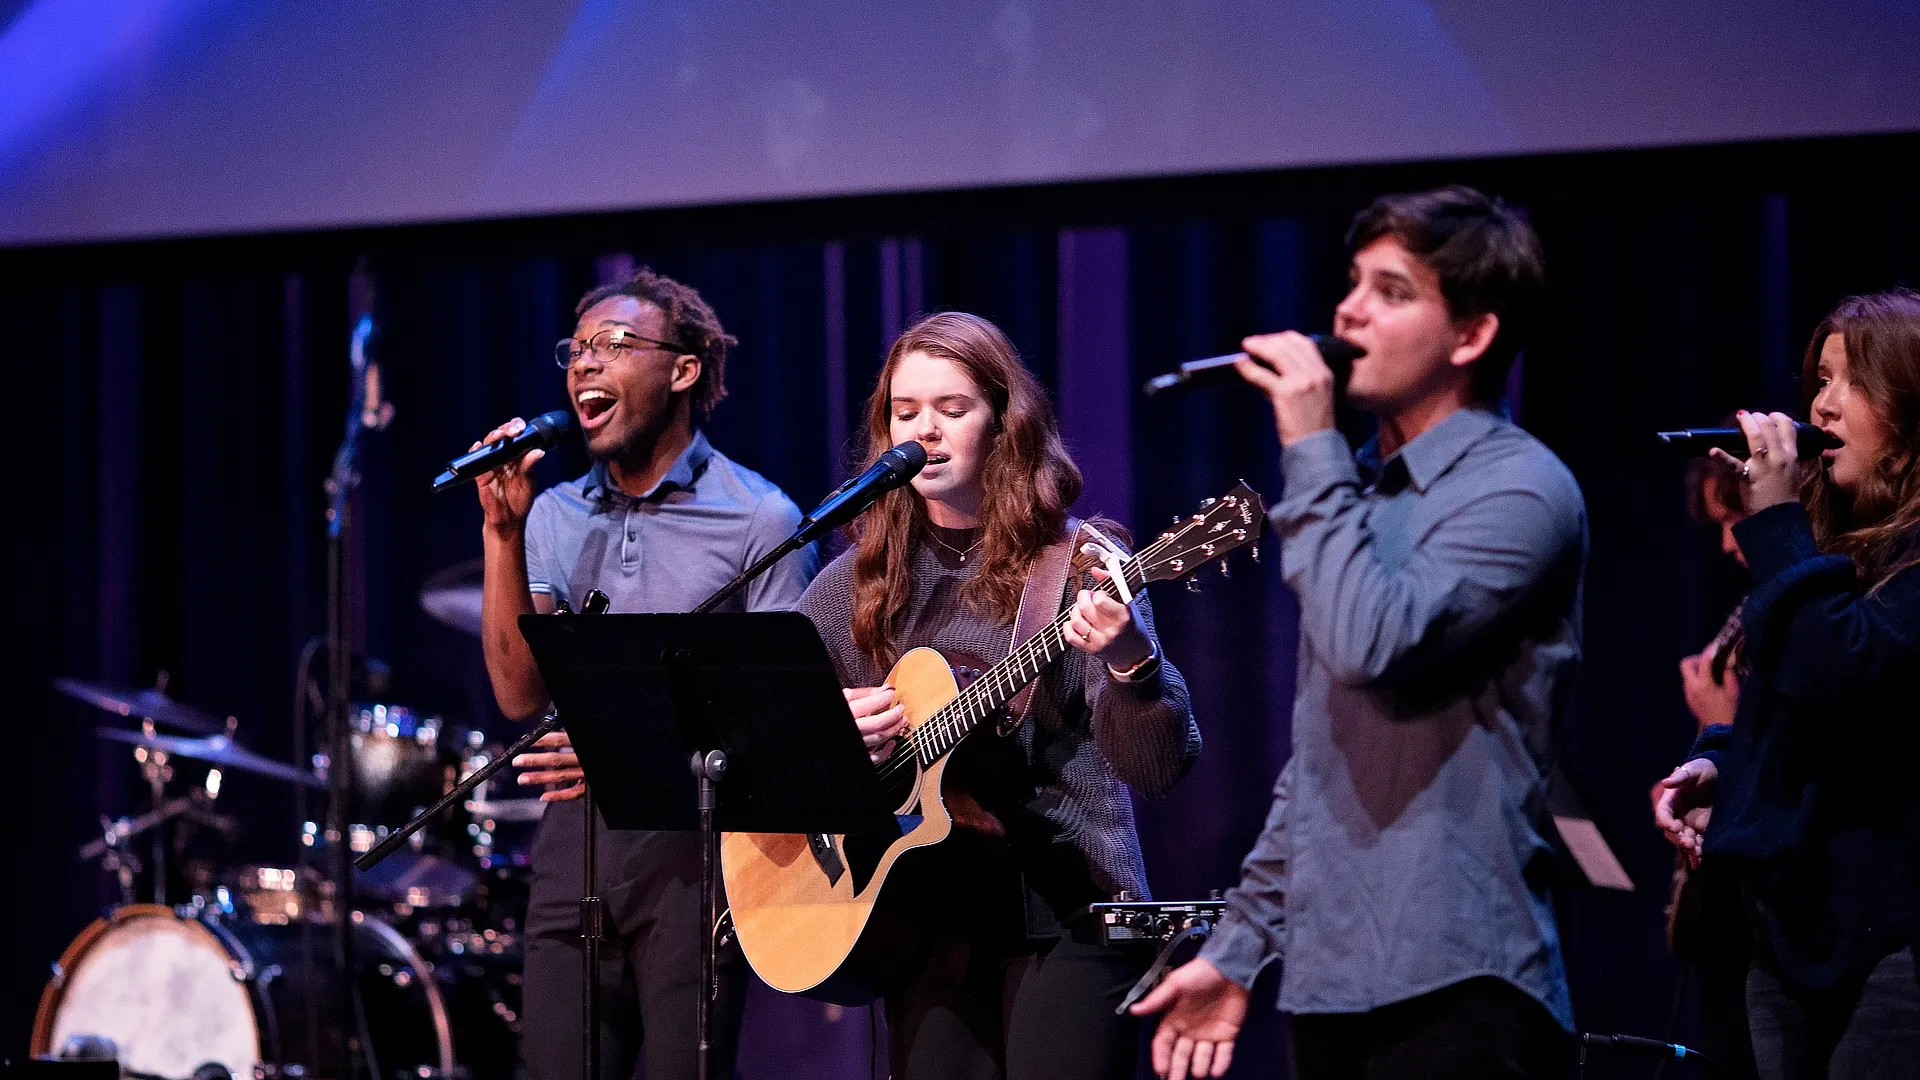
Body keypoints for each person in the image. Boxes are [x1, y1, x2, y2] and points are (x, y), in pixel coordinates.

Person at [1133, 185, 1587, 1079]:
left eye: (1391, 290)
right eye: (1352, 282)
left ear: (1471, 336)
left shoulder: (1522, 490)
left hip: (1462, 983)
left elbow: (1371, 647)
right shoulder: (1361, 493)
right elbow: (1325, 763)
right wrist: (1236, 949)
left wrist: (1310, 445)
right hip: (1332, 987)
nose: (1347, 309)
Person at [797, 311, 1201, 1080]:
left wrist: (1130, 663)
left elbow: (1156, 771)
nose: (929, 431)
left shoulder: (1080, 565)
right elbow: (765, 724)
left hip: (1071, 909)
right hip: (925, 915)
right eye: (907, 412)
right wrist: (824, 737)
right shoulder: (860, 579)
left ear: (1003, 424)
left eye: (953, 410)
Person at [469, 267, 818, 1080]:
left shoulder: (759, 517)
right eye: (577, 349)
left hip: (695, 856)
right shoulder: (554, 513)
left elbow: (782, 722)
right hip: (573, 846)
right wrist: (501, 535)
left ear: (683, 369)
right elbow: (521, 694)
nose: (585, 365)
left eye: (615, 346)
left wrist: (636, 752)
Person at [1655, 289, 1920, 1078]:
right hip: (1790, 930)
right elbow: (1809, 712)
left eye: (1854, 383)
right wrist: (1724, 764)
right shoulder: (1838, 547)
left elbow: (1848, 666)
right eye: (1820, 380)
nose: (1823, 406)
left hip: (1893, 944)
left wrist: (1773, 522)